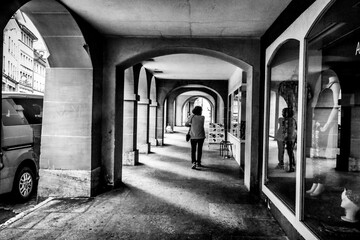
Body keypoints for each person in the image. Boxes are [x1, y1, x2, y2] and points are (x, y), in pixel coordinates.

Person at [307, 70, 341, 196]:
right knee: (315, 155)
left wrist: (326, 125)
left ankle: (321, 184)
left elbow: (335, 106)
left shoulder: (335, 86)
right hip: (318, 123)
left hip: (323, 125)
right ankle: (316, 182)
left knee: (320, 155)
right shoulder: (327, 86)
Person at [275, 108, 297, 172]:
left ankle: (282, 163)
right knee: (290, 151)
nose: (283, 113)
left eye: (283, 112)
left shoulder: (281, 119)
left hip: (283, 137)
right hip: (288, 137)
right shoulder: (293, 120)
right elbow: (295, 129)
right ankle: (292, 163)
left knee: (282, 150)